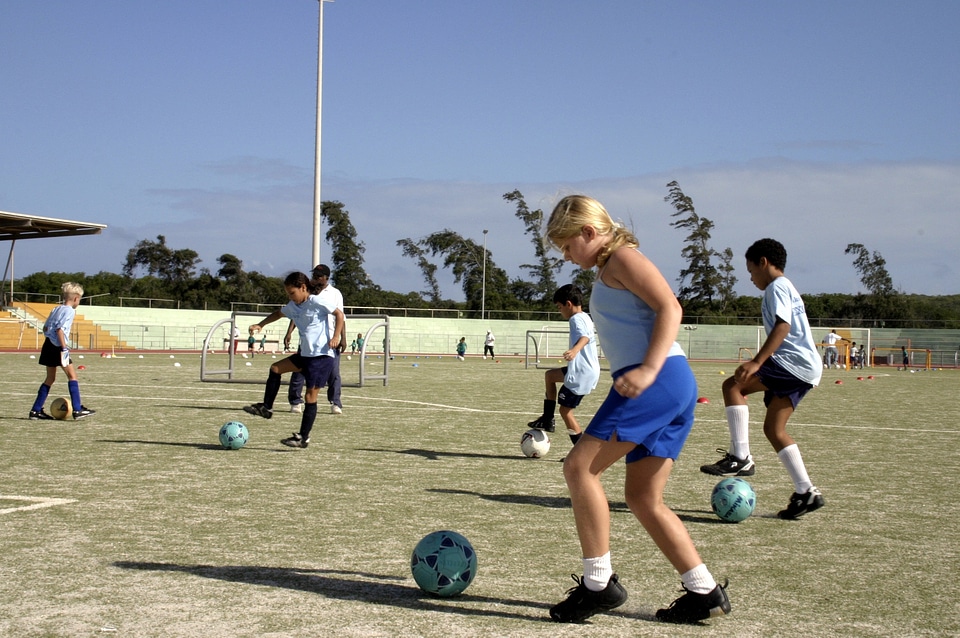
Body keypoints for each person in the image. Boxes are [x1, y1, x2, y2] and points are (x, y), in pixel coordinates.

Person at [543, 195, 730, 625]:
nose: (568, 257)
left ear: (589, 233)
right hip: (670, 384)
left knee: (578, 469)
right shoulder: (609, 269)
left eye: (569, 247)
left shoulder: (622, 260)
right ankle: (705, 591)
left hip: (656, 381)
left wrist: (647, 369)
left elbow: (671, 307)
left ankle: (598, 583)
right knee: (643, 497)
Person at [701, 238, 825, 521]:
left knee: (733, 385)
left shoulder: (776, 287)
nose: (751, 277)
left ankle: (740, 458)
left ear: (763, 262)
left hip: (793, 363)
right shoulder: (786, 287)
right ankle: (806, 491)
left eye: (751, 270)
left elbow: (783, 325)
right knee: (774, 429)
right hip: (805, 369)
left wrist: (757, 362)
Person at [244, 271, 344, 448]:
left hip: (321, 357)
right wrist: (261, 324)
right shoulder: (293, 305)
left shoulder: (316, 301)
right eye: (288, 294)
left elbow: (339, 315)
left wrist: (336, 336)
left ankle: (303, 438)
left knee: (310, 397)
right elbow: (278, 313)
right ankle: (267, 408)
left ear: (303, 288)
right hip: (305, 356)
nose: (291, 297)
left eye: (292, 293)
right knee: (275, 368)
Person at [527, 284, 600, 449]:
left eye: (560, 308)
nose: (560, 312)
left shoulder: (576, 319)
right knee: (550, 376)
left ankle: (579, 452)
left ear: (568, 304)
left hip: (582, 373)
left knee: (565, 411)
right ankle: (547, 418)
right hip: (585, 370)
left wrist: (574, 350)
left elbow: (585, 337)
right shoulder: (586, 316)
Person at [29, 282, 96, 420]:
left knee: (50, 378)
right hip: (58, 346)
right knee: (72, 376)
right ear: (76, 298)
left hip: (48, 344)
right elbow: (60, 329)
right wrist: (64, 348)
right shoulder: (69, 311)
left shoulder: (56, 309)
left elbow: (46, 328)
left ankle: (35, 411)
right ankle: (77, 409)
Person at [286, 265, 345, 415]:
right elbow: (297, 312)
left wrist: (341, 338)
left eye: (319, 276)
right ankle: (295, 401)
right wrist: (289, 332)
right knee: (299, 372)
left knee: (333, 373)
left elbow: (341, 316)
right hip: (308, 340)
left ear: (326, 278)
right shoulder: (308, 289)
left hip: (329, 340)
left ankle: (335, 402)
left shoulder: (335, 293)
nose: (316, 278)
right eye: (315, 275)